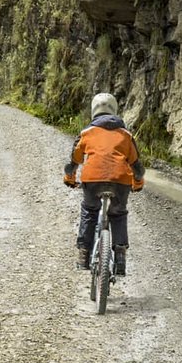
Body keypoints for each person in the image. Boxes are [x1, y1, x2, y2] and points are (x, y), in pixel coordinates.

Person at [63, 92, 145, 275]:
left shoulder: (86, 133)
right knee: (118, 213)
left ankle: (83, 256)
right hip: (120, 181)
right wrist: (137, 182)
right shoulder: (126, 135)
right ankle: (121, 257)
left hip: (92, 180)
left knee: (89, 211)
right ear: (114, 110)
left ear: (94, 110)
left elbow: (73, 161)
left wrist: (69, 178)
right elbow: (137, 166)